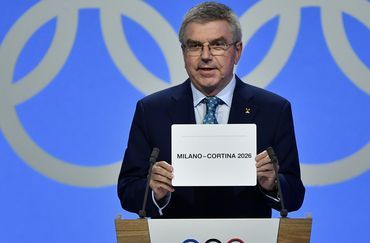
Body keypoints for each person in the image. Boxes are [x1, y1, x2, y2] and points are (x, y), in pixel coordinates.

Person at [118, 2, 304, 218]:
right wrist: (154, 192)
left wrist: (272, 184)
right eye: (195, 46)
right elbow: (127, 191)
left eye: (218, 45)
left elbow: (295, 195)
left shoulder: (273, 110)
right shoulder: (151, 111)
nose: (206, 56)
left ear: (237, 51)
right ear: (183, 52)